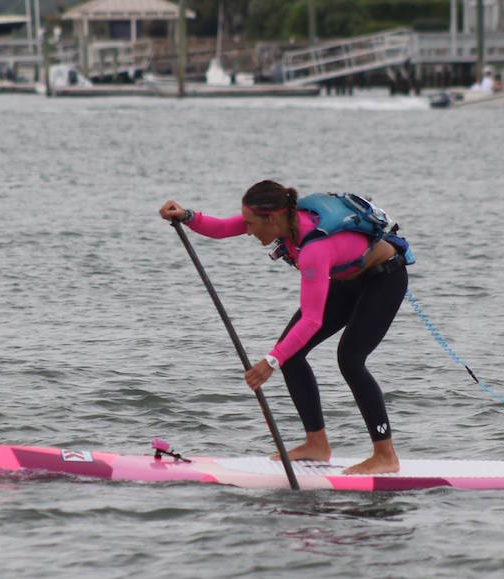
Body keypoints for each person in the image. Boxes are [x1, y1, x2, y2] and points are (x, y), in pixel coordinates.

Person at [159, 180, 410, 475]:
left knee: (351, 360)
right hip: (348, 281)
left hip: (384, 280)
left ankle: (385, 455)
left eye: (252, 224)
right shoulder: (283, 222)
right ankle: (317, 445)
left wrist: (270, 362)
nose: (248, 230)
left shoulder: (314, 249)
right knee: (292, 354)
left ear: (273, 218)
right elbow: (225, 227)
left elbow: (312, 321)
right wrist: (186, 216)